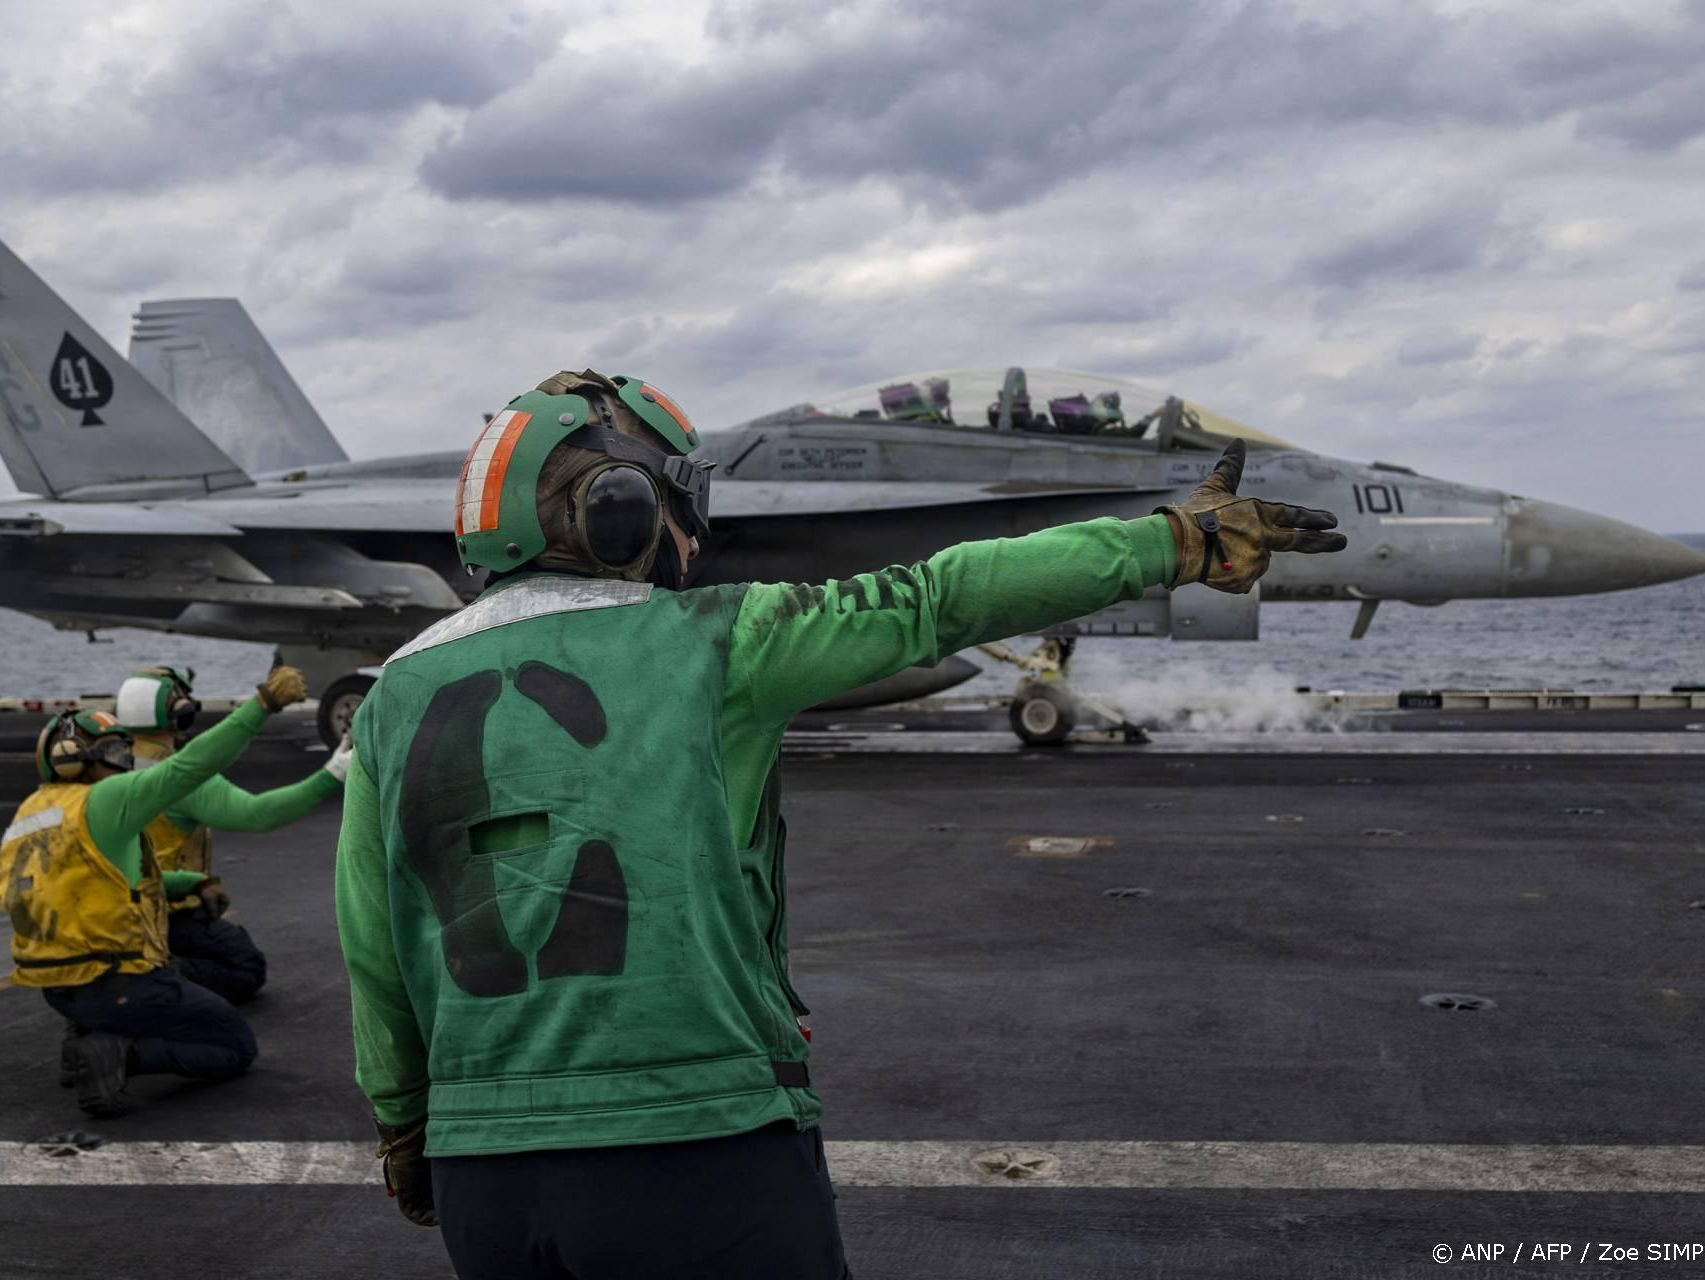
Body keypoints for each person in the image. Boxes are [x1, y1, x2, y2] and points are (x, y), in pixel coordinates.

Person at [334, 369, 1345, 1278]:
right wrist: (1174, 539)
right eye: (677, 502)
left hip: (487, 1185)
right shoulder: (718, 639)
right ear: (619, 509)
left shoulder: (392, 696)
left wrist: (406, 1125)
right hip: (699, 1151)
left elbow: (371, 943)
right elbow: (944, 598)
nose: (692, 534)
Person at [0, 667, 309, 1117]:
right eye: (111, 754)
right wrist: (263, 704)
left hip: (58, 986)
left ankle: (88, 1035)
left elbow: (108, 883)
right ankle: (120, 1054)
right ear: (72, 760)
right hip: (117, 980)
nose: (123, 763)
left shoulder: (33, 810)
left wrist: (191, 882)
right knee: (235, 1045)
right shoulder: (105, 800)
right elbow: (191, 766)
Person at [113, 665, 353, 1004]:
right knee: (245, 967)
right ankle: (153, 976)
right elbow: (258, 814)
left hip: (114, 909)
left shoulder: (108, 768)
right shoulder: (179, 780)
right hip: (168, 909)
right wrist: (333, 774)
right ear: (178, 714)